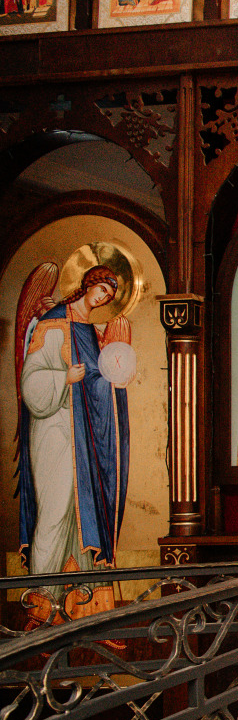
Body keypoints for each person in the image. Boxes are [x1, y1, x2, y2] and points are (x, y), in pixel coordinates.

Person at [16, 263, 132, 627]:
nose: (102, 299)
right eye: (101, 291)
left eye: (109, 297)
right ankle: (40, 606)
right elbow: (31, 382)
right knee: (55, 510)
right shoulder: (53, 322)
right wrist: (63, 378)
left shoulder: (94, 332)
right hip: (54, 430)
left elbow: (103, 379)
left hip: (84, 438)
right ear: (88, 285)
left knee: (83, 511)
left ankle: (86, 612)